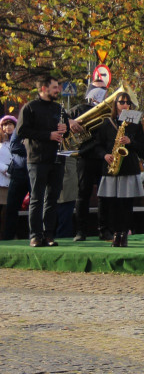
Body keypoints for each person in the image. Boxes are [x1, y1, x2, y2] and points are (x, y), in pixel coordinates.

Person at [19, 75, 81, 247]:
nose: (58, 90)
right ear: (44, 89)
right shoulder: (30, 107)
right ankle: (35, 236)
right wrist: (48, 134)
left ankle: (49, 235)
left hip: (57, 158)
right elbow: (22, 131)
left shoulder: (58, 108)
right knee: (37, 199)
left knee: (52, 199)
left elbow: (65, 132)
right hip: (38, 159)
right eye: (55, 87)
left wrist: (65, 129)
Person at [95, 92, 144, 247]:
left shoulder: (135, 124)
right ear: (115, 104)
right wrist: (104, 155)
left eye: (127, 102)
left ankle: (123, 234)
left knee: (126, 204)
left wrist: (130, 142)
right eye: (121, 102)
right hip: (112, 168)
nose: (125, 105)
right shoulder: (107, 124)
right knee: (111, 204)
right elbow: (97, 145)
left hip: (128, 168)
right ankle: (114, 233)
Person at [69, 84, 113, 241]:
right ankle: (81, 231)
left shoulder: (109, 111)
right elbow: (62, 119)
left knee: (104, 195)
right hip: (85, 156)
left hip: (104, 157)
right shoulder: (79, 108)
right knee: (83, 194)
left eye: (104, 90)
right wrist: (69, 121)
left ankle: (104, 230)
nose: (101, 93)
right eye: (97, 89)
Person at [2, 124, 29, 240]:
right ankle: (9, 237)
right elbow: (14, 147)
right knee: (12, 207)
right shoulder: (20, 129)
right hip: (19, 172)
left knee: (36, 205)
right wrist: (34, 150)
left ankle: (35, 235)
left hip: (36, 172)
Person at [0, 115, 15, 234]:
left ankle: (8, 234)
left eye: (10, 124)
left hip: (14, 181)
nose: (8, 127)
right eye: (5, 125)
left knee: (9, 211)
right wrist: (6, 169)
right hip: (1, 181)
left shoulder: (19, 141)